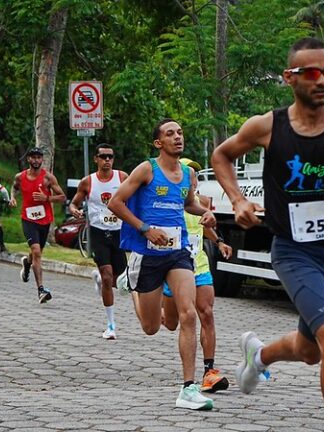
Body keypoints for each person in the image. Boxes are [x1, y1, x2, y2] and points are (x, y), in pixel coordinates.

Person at [211, 38, 324, 431]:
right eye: (311, 73)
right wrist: (237, 199)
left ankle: (259, 356)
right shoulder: (267, 126)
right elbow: (221, 156)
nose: (322, 80)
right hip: (293, 251)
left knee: (312, 350)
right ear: (289, 78)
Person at [107, 118, 217, 410]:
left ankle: (188, 388)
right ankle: (131, 286)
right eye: (170, 134)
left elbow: (188, 204)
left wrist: (206, 213)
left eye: (180, 132)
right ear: (159, 143)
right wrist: (144, 228)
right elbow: (115, 203)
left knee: (188, 314)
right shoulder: (147, 169)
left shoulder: (186, 174)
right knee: (151, 327)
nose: (178, 137)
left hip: (177, 252)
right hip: (147, 254)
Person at [158, 158, 233, 393]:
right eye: (188, 172)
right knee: (171, 323)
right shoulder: (169, 201)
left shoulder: (202, 202)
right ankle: (145, 302)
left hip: (198, 266)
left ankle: (209, 371)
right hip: (174, 269)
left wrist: (219, 242)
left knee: (206, 313)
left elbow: (204, 226)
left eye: (196, 174)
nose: (193, 176)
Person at [68, 144, 128, 340]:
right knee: (109, 274)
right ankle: (110, 325)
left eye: (110, 156)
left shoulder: (122, 178)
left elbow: (134, 197)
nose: (107, 160)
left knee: (118, 278)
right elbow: (74, 202)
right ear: (96, 159)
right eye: (103, 156)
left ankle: (100, 280)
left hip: (118, 231)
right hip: (98, 233)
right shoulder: (88, 182)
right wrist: (74, 209)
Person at [9, 147, 66, 303]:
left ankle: (27, 263)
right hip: (28, 219)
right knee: (36, 251)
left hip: (45, 220)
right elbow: (14, 188)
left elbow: (62, 197)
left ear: (42, 160)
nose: (36, 160)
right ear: (28, 159)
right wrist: (13, 198)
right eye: (33, 157)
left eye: (38, 157)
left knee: (36, 253)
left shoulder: (48, 178)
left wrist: (46, 198)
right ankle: (41, 290)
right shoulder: (20, 177)